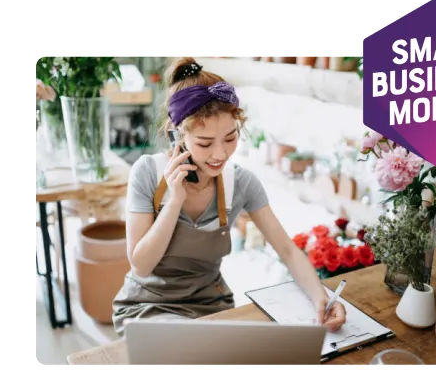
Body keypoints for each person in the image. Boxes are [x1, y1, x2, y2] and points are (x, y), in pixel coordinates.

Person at [112, 57, 346, 336]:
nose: (220, 154)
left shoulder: (242, 183)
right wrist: (174, 201)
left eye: (230, 137)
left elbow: (287, 251)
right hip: (148, 309)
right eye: (205, 143)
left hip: (211, 307)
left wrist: (322, 298)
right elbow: (141, 264)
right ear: (177, 136)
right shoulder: (147, 173)